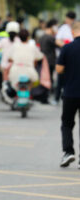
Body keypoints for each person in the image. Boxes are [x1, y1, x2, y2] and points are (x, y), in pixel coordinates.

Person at [56, 21, 80, 169]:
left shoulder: (67, 48)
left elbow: (58, 69)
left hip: (70, 93)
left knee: (67, 123)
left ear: (72, 32)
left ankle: (68, 152)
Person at [54, 11, 76, 105]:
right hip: (66, 53)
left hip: (75, 54)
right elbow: (57, 40)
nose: (68, 21)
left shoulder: (76, 26)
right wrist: (66, 45)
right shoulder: (63, 28)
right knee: (61, 77)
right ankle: (57, 98)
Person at [39, 19, 63, 85]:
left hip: (43, 60)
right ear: (52, 27)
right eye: (56, 26)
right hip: (50, 61)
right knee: (50, 79)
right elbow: (61, 44)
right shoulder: (50, 37)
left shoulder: (42, 37)